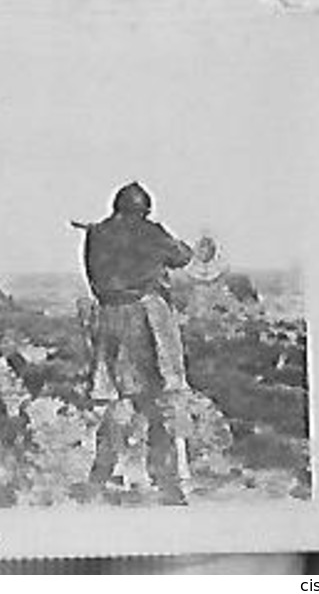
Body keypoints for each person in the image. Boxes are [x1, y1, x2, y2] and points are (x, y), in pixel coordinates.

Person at [77, 181, 193, 504]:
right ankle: (169, 484)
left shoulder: (96, 233)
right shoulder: (150, 232)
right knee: (160, 401)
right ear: (144, 210)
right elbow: (182, 257)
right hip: (145, 318)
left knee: (116, 402)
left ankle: (98, 481)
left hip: (108, 319)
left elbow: (94, 278)